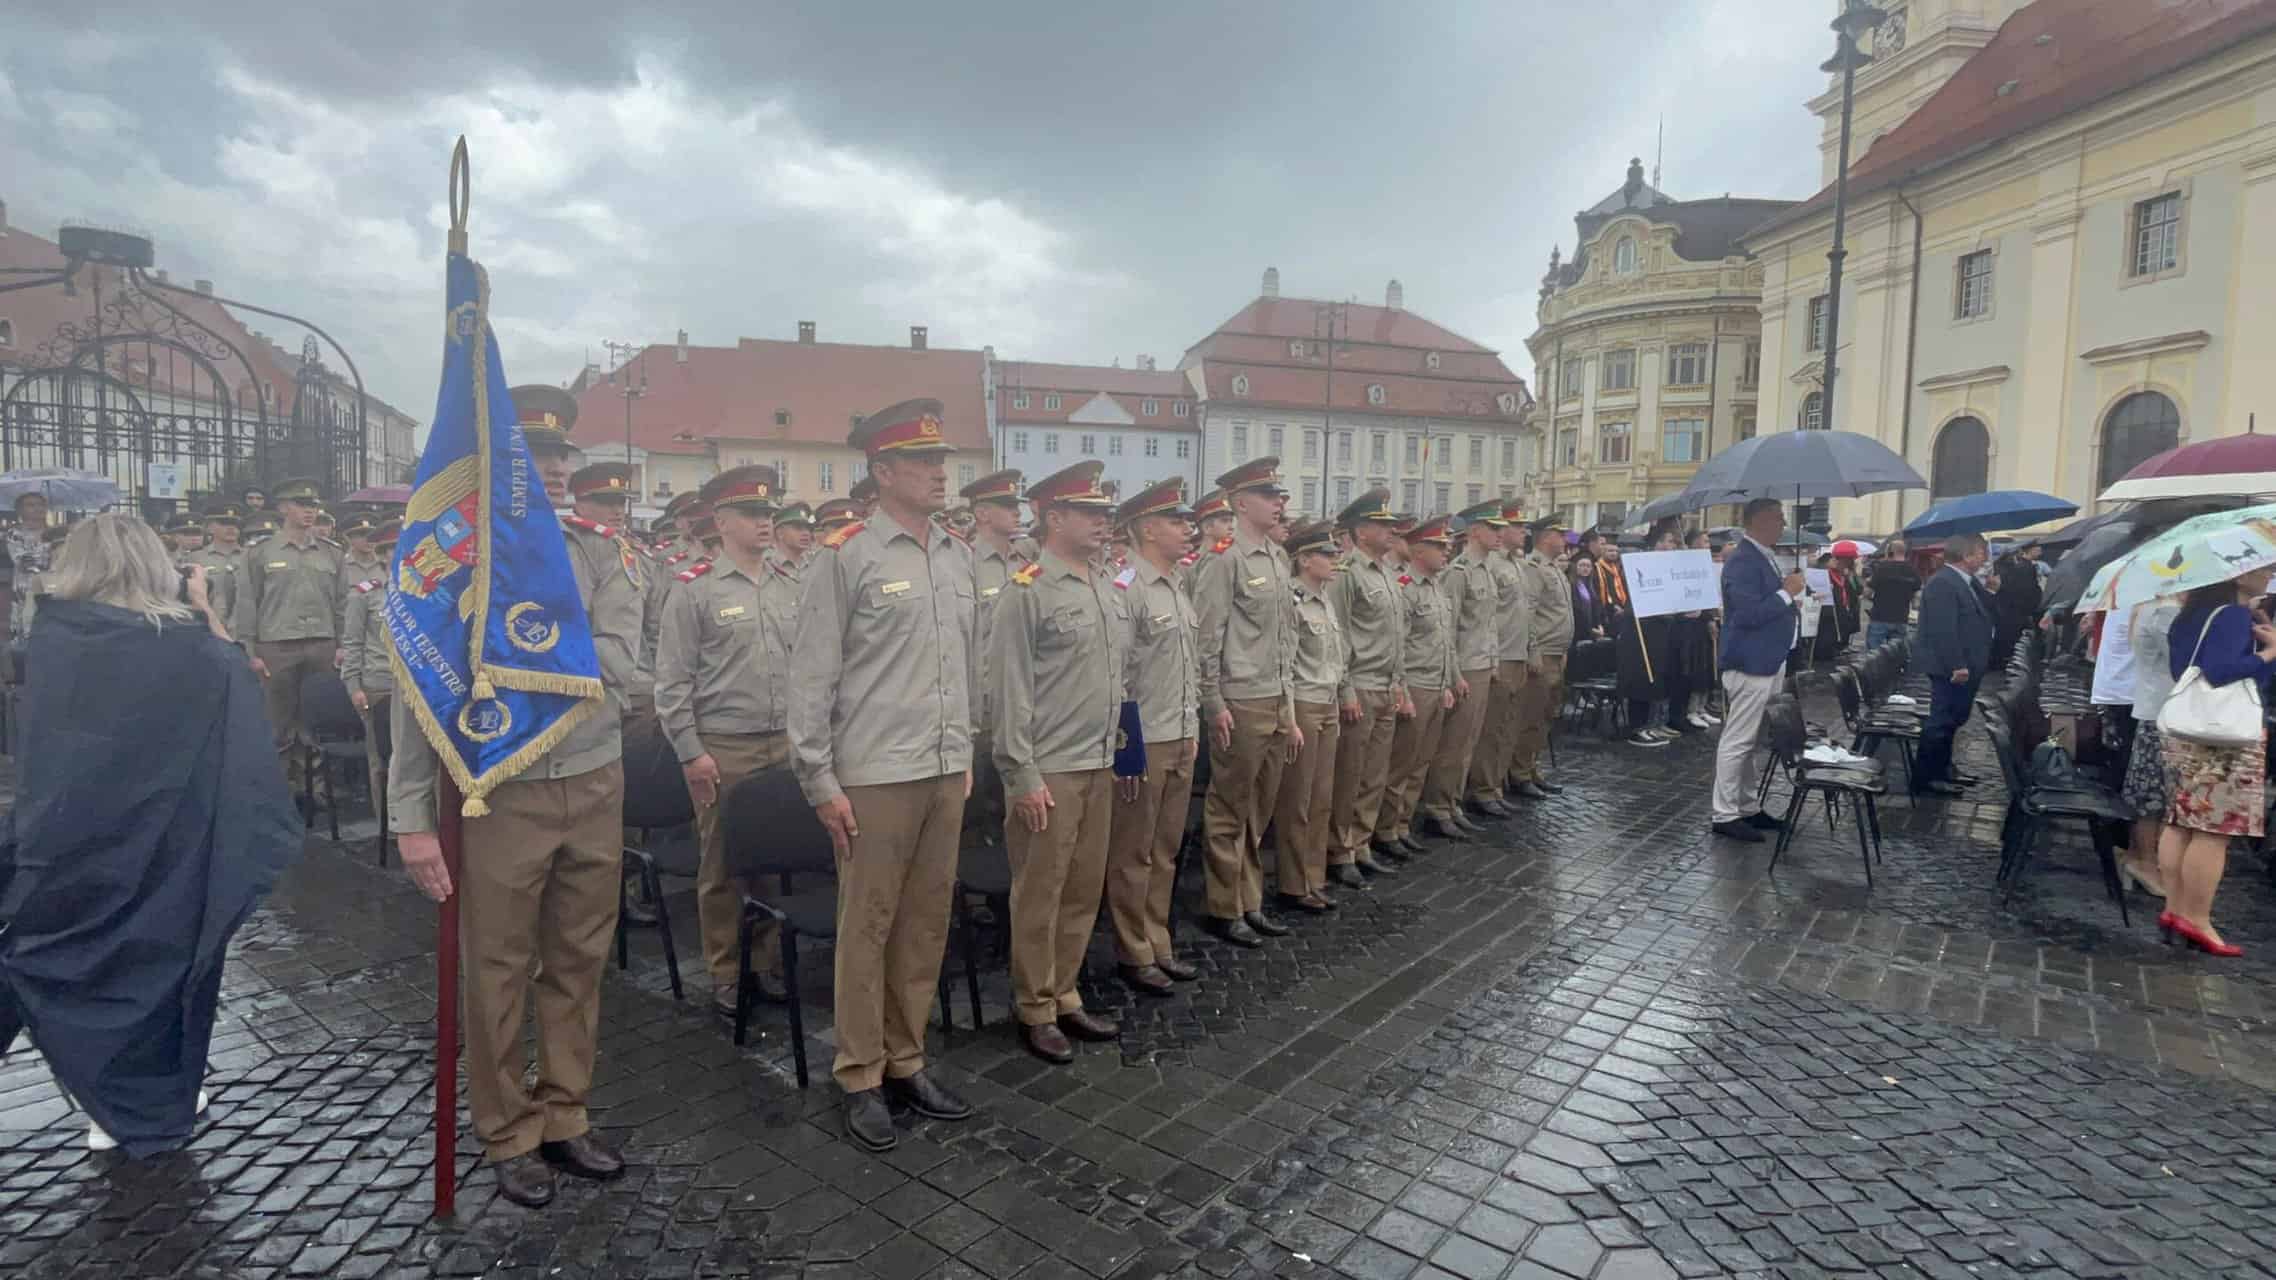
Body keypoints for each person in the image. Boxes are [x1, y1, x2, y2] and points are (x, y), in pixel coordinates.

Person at [389, 385, 642, 1208]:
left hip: (595, 778)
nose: (560, 468)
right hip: (495, 791)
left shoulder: (600, 550)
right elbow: (417, 687)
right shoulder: (455, 554)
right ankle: (507, 1131)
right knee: (498, 970)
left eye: (565, 453)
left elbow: (621, 660)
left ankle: (565, 1111)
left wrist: (524, 657)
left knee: (578, 960)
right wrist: (410, 820)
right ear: (504, 465)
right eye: (539, 454)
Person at [0, 514, 296, 1155]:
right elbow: (235, 681)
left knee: (86, 958)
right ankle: (137, 1099)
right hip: (165, 831)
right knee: (163, 961)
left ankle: (101, 1097)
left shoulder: (51, 636)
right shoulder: (184, 643)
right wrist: (202, 610)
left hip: (68, 826)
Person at [787, 398, 977, 1150]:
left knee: (925, 924)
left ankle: (907, 1058)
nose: (940, 473)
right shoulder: (846, 557)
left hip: (941, 768)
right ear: (883, 471)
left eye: (942, 461)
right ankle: (860, 1072)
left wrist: (961, 755)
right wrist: (820, 780)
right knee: (866, 928)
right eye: (925, 462)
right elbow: (811, 678)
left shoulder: (956, 555)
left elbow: (965, 668)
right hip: (872, 773)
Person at [991, 461, 1129, 1063]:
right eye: (1090, 512)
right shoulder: (1027, 590)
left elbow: (1121, 683)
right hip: (1050, 768)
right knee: (1040, 892)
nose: (1104, 522)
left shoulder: (1105, 585)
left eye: (1105, 512)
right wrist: (1021, 775)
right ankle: (1035, 1006)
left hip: (1100, 761)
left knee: (1081, 889)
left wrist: (1130, 756)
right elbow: (1009, 691)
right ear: (1054, 518)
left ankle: (1066, 991)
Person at [656, 465, 794, 1016]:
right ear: (721, 521)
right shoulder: (695, 592)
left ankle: (765, 961)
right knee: (722, 866)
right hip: (725, 746)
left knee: (776, 859)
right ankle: (726, 971)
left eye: (769, 512)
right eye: (753, 513)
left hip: (784, 743)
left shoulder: (791, 584)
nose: (766, 522)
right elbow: (671, 686)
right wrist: (692, 752)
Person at [1193, 458, 1298, 948]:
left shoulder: (1277, 558)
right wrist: (1214, 704)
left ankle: (1248, 900)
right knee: (1229, 807)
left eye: (1278, 494)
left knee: (1260, 807)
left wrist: (1290, 709)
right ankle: (1222, 905)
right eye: (1268, 494)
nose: (1280, 501)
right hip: (1241, 699)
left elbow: (1286, 641)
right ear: (1240, 504)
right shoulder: (1223, 559)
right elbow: (1207, 639)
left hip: (1274, 697)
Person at [1104, 477, 1201, 993]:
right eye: (1175, 520)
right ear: (1145, 530)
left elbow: (1187, 666)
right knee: (1134, 850)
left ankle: (1157, 938)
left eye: (1186, 520)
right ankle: (1132, 949)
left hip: (1181, 731)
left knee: (1165, 849)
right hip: (1147, 737)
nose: (1188, 529)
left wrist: (1194, 725)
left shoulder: (1178, 585)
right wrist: (1128, 752)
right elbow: (1118, 676)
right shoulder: (1127, 588)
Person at [2155, 572, 2276, 958]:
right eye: (2265, 566)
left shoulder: (2191, 613)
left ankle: (2174, 909)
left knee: (2179, 822)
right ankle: (2197, 917)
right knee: (2213, 831)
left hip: (2188, 731)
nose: (2271, 572)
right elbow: (2221, 672)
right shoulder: (2234, 616)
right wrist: (2270, 653)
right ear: (2238, 572)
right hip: (2224, 740)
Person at [233, 478, 345, 791]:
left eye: (313, 506)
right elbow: (247, 604)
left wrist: (342, 644)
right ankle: (279, 791)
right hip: (276, 646)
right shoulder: (260, 554)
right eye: (301, 504)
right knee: (276, 723)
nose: (309, 511)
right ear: (283, 508)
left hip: (322, 645)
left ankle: (317, 789)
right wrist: (249, 650)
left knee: (317, 723)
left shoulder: (332, 553)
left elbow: (342, 604)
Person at [1708, 499, 1805, 843]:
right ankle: (1725, 813)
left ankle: (1747, 807)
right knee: (1738, 739)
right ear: (1760, 521)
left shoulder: (1761, 556)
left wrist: (1786, 599)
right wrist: (1785, 595)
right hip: (1750, 663)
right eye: (1778, 518)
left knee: (1750, 741)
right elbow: (1748, 615)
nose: (1783, 524)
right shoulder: (1742, 561)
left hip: (1767, 660)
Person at [1327, 488, 1411, 878]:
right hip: (1359, 683)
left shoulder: (1389, 574)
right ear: (1361, 532)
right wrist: (1345, 690)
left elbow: (1396, 635)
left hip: (1386, 684)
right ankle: (1339, 850)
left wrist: (1399, 683)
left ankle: (1360, 843)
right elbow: (1339, 633)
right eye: (1383, 525)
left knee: (1374, 774)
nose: (1391, 531)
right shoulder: (1346, 574)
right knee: (1350, 774)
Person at [1274, 521, 1348, 906]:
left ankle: (1314, 876)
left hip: (1327, 700)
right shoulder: (1293, 600)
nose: (1336, 560)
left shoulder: (1325, 598)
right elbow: (1285, 663)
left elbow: (1336, 657)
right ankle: (1293, 881)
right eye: (1328, 554)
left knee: (1321, 797)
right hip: (1303, 702)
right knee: (1297, 800)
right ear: (1304, 559)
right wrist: (1287, 718)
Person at [1417, 502, 1501, 839]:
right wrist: (1454, 676)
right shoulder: (1459, 572)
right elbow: (1448, 629)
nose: (1498, 534)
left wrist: (1492, 661)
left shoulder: (1484, 570)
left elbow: (1488, 623)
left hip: (1480, 663)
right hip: (1463, 666)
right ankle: (1438, 808)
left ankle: (1453, 803)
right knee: (1452, 745)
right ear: (1476, 531)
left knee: (1467, 743)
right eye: (1493, 528)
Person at [1376, 517, 1458, 851]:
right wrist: (1404, 692)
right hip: (1416, 684)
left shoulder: (1437, 587)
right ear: (1419, 550)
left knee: (1422, 763)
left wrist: (1450, 682)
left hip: (1436, 684)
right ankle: (1385, 829)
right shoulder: (1406, 588)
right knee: (1401, 765)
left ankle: (1402, 825)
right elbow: (1399, 645)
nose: (1446, 552)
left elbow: (1445, 641)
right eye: (1439, 546)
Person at [1911, 532, 1996, 798]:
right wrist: (1957, 664)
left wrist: (1993, 588)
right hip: (1953, 667)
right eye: (1981, 552)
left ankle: (1944, 767)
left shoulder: (1966, 581)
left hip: (1969, 663)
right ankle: (1927, 777)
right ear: (1966, 554)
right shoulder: (1944, 583)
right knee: (1941, 720)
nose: (1985, 558)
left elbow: (1988, 611)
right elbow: (1943, 630)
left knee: (1955, 718)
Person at [1468, 499, 1532, 813]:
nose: (1523, 531)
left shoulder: (1516, 563)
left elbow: (1525, 612)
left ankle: (1496, 784)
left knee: (1508, 726)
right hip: (1499, 654)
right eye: (1516, 526)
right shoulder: (1489, 565)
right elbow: (1488, 616)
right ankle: (1482, 788)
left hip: (1516, 652)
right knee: (1490, 729)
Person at [2115, 597, 2180, 897]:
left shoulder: (2149, 606)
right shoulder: (2166, 611)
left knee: (2151, 794)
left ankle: (2140, 858)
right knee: (2154, 797)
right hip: (2164, 712)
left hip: (2156, 709)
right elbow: (2181, 661)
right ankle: (2145, 862)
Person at [337, 515, 400, 822]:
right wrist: (353, 686)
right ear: (383, 555)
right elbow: (352, 643)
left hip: (420, 686)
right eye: (393, 549)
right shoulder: (367, 593)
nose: (401, 554)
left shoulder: (429, 593)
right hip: (379, 685)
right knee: (381, 761)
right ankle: (387, 824)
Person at [1510, 520, 1573, 795]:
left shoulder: (1553, 568)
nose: (1565, 538)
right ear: (1547, 537)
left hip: (1557, 653)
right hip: (1543, 653)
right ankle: (1520, 772)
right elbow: (1529, 613)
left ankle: (1532, 766)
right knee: (1532, 715)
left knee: (1547, 714)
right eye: (1560, 534)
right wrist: (1533, 650)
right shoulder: (1534, 568)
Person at [1991, 542, 2045, 669]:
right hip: (2017, 609)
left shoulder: (2004, 567)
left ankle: (2002, 661)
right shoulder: (2024, 567)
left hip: (2008, 608)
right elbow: (2028, 590)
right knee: (2017, 639)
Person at [1864, 538, 1918, 651]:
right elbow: (1915, 599)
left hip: (1880, 617)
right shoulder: (1912, 570)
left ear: (1890, 553)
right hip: (1901, 618)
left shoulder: (1882, 568)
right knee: (1896, 654)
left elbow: (1867, 593)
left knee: (1874, 655)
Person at [1568, 552, 1604, 640]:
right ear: (1575, 566)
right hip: (1577, 630)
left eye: (1588, 566)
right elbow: (1575, 610)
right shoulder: (1570, 585)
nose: (1585, 568)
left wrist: (1599, 625)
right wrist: (1590, 629)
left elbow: (1596, 607)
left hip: (1593, 630)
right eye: (1582, 565)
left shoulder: (1592, 585)